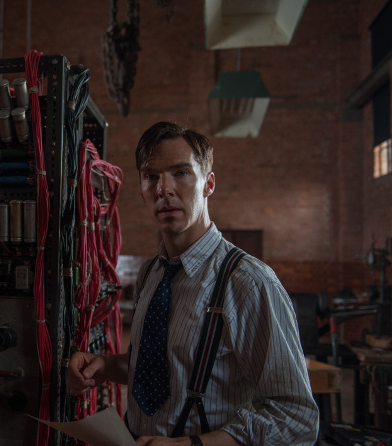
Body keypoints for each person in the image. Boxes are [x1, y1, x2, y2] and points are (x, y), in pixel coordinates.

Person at [67, 122, 319, 445]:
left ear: (208, 184)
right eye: (151, 177)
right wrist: (104, 366)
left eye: (181, 173)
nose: (164, 189)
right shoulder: (151, 273)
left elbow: (296, 417)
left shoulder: (249, 283)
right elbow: (159, 367)